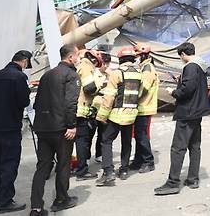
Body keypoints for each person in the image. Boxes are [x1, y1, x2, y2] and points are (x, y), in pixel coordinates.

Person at [29, 45, 81, 216]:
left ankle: (36, 207)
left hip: (43, 128)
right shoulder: (71, 75)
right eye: (77, 55)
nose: (78, 58)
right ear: (71, 57)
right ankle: (61, 199)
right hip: (61, 129)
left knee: (42, 167)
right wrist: (72, 125)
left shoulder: (47, 75)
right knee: (63, 164)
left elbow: (37, 104)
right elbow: (70, 103)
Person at [155, 42, 210, 196]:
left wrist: (173, 92)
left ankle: (173, 182)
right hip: (197, 111)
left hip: (188, 112)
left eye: (181, 56)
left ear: (183, 54)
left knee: (178, 148)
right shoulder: (200, 66)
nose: (181, 59)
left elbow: (187, 89)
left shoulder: (191, 67)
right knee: (194, 146)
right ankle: (193, 179)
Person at [0, 50, 32, 213]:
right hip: (10, 128)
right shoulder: (19, 77)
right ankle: (5, 201)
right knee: (9, 164)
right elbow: (24, 101)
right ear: (24, 61)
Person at [95, 47, 142, 186]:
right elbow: (140, 93)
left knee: (106, 140)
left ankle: (108, 171)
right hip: (131, 114)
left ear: (120, 59)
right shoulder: (139, 74)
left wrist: (102, 115)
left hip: (116, 115)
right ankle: (124, 170)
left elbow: (109, 97)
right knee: (126, 142)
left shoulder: (117, 73)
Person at [74, 49, 104, 180]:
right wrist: (101, 88)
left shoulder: (82, 66)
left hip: (79, 110)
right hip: (81, 112)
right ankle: (81, 171)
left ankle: (79, 167)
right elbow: (89, 88)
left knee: (81, 141)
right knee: (82, 141)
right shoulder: (86, 67)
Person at [129, 42, 159, 173]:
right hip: (142, 108)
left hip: (144, 107)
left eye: (137, 56)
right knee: (139, 136)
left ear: (142, 55)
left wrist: (131, 99)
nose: (135, 59)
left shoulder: (147, 68)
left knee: (142, 136)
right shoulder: (145, 67)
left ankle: (148, 161)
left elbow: (143, 89)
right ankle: (138, 160)